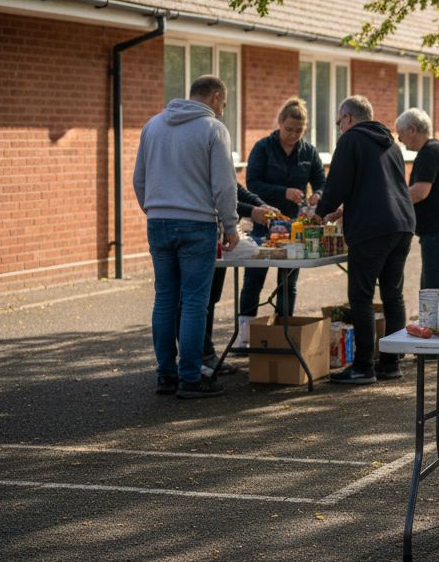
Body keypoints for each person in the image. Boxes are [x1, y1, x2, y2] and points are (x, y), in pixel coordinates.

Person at [133, 74, 240, 399]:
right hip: (196, 225)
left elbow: (139, 179)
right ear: (216, 95)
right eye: (224, 101)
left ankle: (166, 375)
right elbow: (224, 185)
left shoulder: (153, 125)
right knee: (194, 301)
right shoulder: (213, 129)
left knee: (165, 298)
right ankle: (191, 378)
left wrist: (154, 210)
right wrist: (231, 225)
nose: (223, 108)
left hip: (159, 220)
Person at [313, 96, 416, 385]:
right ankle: (390, 362)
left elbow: (338, 183)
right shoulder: (390, 143)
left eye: (337, 123)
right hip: (402, 224)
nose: (338, 128)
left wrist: (321, 213)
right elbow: (380, 187)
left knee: (361, 296)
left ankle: (362, 366)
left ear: (347, 118)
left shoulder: (351, 140)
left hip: (371, 229)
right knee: (392, 295)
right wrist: (343, 210)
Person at [239, 97, 326, 328]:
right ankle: (244, 335)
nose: (293, 134)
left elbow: (322, 181)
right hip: (264, 222)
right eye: (288, 129)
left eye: (299, 130)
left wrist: (318, 193)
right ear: (279, 123)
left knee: (288, 282)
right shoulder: (263, 148)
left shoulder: (308, 151)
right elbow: (252, 183)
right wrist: (283, 192)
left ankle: (284, 330)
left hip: (295, 226)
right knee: (254, 280)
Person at [202, 185, 278, 375]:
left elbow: (233, 188)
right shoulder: (210, 154)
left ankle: (205, 356)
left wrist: (261, 205)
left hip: (215, 232)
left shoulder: (221, 157)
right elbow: (219, 194)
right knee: (196, 301)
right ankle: (194, 361)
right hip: (202, 229)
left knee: (210, 299)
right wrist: (252, 211)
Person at [395, 107, 439, 290]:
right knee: (437, 283)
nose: (400, 139)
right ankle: (438, 318)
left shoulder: (429, 153)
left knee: (436, 288)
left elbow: (420, 192)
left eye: (400, 133)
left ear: (413, 129)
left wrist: (392, 201)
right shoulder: (437, 149)